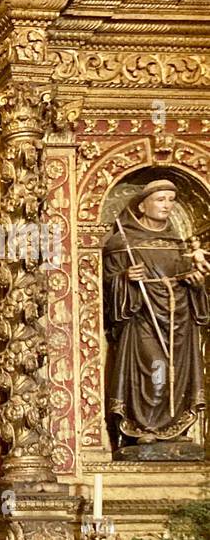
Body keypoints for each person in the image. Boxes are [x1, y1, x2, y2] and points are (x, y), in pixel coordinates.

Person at [103, 179, 210, 450]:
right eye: (160, 199)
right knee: (156, 367)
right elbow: (106, 286)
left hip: (179, 318)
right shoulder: (123, 242)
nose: (167, 205)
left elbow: (191, 282)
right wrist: (126, 278)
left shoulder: (179, 244)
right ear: (142, 205)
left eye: (171, 200)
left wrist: (196, 283)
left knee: (177, 372)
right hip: (144, 318)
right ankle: (145, 426)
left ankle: (170, 430)